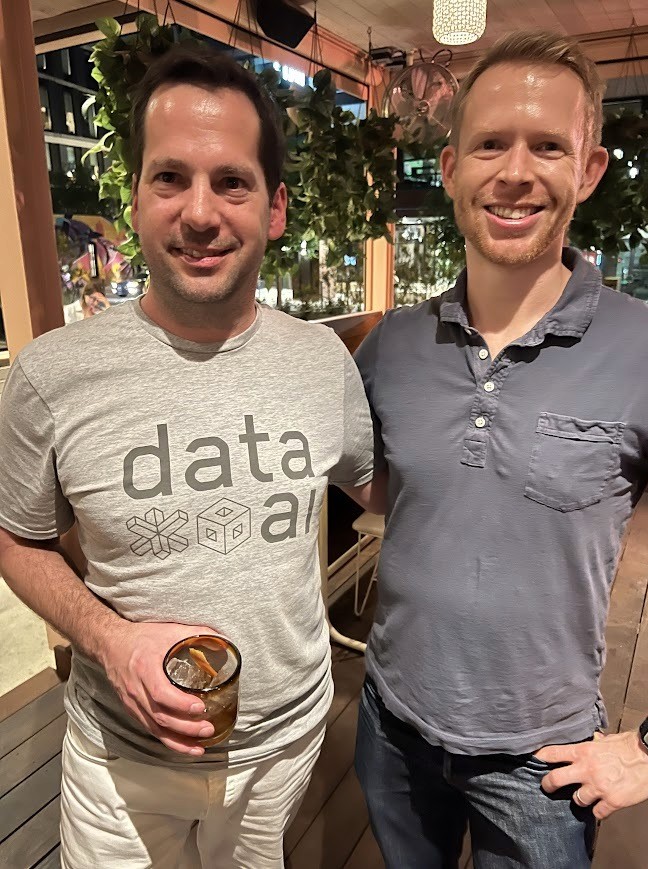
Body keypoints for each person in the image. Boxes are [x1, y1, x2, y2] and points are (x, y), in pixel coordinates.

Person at [0, 46, 382, 868]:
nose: (200, 213)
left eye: (232, 181)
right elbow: (16, 536)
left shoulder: (323, 362)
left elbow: (383, 492)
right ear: (136, 198)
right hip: (121, 761)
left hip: (283, 744)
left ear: (274, 208)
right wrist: (109, 639)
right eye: (170, 177)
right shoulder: (50, 375)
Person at [354, 30, 648, 869]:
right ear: (451, 169)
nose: (515, 172)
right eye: (490, 144)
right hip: (392, 724)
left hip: (544, 759)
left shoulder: (643, 349)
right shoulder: (393, 345)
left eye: (547, 146)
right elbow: (375, 484)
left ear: (588, 170)